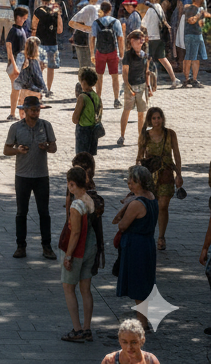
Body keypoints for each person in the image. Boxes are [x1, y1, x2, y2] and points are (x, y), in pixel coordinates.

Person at [3, 94, 58, 259]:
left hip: (41, 175)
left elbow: (54, 148)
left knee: (44, 212)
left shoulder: (46, 126)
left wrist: (46, 147)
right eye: (33, 110)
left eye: (38, 110)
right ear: (25, 110)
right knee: (21, 212)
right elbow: (6, 150)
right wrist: (17, 150)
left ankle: (47, 246)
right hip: (22, 175)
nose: (36, 113)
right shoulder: (16, 128)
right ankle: (21, 246)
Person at [114, 165, 159, 329]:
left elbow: (122, 225)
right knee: (144, 282)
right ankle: (143, 321)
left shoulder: (136, 204)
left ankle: (142, 323)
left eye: (133, 182)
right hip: (147, 243)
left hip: (136, 246)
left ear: (141, 182)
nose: (130, 185)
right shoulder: (151, 197)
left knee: (139, 284)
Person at [60, 165, 100, 342]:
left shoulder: (76, 205)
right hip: (91, 247)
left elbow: (75, 233)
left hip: (78, 250)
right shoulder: (90, 199)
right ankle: (87, 328)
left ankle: (77, 329)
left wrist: (68, 255)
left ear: (72, 184)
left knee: (68, 288)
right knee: (86, 289)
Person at [136, 106, 183, 249]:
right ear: (150, 120)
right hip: (149, 175)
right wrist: (136, 175)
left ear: (162, 119)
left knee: (163, 206)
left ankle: (161, 237)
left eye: (159, 118)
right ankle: (148, 233)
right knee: (150, 206)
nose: (157, 121)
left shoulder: (170, 134)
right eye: (154, 118)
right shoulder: (145, 135)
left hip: (166, 173)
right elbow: (139, 156)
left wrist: (179, 174)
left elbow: (177, 154)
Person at [139, 0, 181, 89]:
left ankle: (148, 83)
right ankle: (174, 79)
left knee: (147, 61)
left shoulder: (149, 10)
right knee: (163, 59)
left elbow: (143, 24)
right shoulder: (159, 7)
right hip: (160, 37)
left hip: (151, 38)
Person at [30, 0, 63, 94]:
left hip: (40, 43)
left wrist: (32, 43)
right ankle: (48, 89)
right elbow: (60, 30)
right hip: (52, 43)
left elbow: (33, 28)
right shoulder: (55, 12)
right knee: (50, 68)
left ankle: (39, 88)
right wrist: (59, 15)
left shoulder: (38, 11)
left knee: (40, 67)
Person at [71, 67, 103, 156]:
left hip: (83, 131)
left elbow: (75, 119)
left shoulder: (82, 97)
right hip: (93, 131)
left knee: (81, 157)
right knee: (89, 158)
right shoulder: (96, 96)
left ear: (84, 82)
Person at [181, 0, 209, 86]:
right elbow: (191, 21)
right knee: (190, 57)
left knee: (194, 58)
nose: (204, 1)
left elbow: (201, 23)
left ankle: (192, 79)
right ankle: (189, 79)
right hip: (192, 35)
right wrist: (199, 15)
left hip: (197, 34)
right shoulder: (191, 8)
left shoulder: (198, 9)